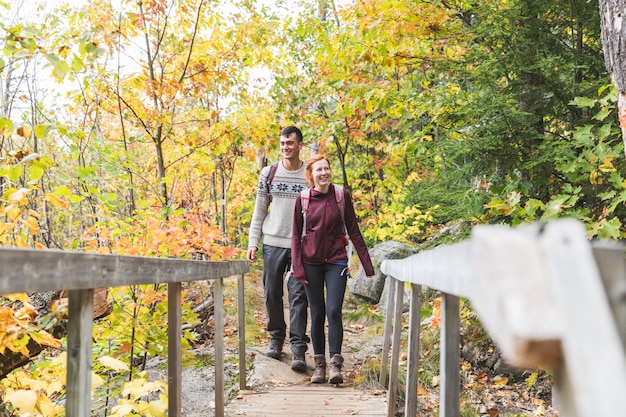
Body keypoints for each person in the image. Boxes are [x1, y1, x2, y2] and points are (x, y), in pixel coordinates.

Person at [291, 154, 375, 384]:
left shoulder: (341, 196)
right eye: (319, 170)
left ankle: (336, 364)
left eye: (326, 168)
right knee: (317, 313)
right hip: (310, 264)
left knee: (334, 310)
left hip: (336, 261)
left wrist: (367, 265)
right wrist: (298, 269)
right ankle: (319, 366)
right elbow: (296, 236)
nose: (324, 173)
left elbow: (354, 230)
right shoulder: (303, 199)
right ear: (311, 175)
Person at [247, 126, 310, 372]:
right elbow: (259, 210)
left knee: (298, 296)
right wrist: (253, 242)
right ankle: (276, 339)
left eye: (290, 143)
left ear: (300, 145)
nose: (285, 147)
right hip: (272, 242)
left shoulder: (309, 173)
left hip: (301, 245)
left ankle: (298, 348)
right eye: (283, 143)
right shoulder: (269, 173)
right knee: (272, 293)